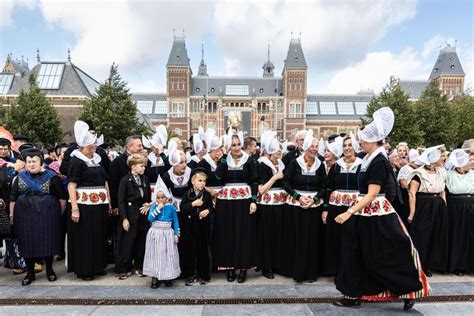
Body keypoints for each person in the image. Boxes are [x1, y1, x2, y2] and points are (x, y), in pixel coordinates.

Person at [333, 107, 430, 311]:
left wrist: (348, 212)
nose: (360, 143)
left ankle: (408, 290)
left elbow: (371, 194)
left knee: (386, 254)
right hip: (364, 213)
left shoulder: (379, 162)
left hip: (376, 215)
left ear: (373, 142)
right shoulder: (369, 159)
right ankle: (353, 294)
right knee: (355, 253)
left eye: (363, 141)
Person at [10, 148, 67, 285]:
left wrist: (58, 214)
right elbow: (13, 198)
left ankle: (50, 270)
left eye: (34, 161)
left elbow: (62, 198)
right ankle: (30, 272)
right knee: (27, 243)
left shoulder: (52, 177)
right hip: (24, 217)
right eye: (29, 162)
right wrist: (12, 215)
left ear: (40, 161)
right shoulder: (19, 178)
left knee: (47, 242)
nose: (31, 164)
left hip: (48, 216)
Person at [67, 121, 110, 281]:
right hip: (84, 206)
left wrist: (109, 202)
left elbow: (104, 181)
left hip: (99, 205)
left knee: (98, 235)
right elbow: (72, 185)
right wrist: (75, 208)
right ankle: (84, 268)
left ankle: (97, 265)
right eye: (92, 143)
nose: (95, 146)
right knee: (85, 237)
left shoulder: (97, 160)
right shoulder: (76, 161)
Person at [214, 131, 258, 283]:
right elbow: (218, 176)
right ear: (228, 147)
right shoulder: (225, 160)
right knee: (228, 233)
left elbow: (254, 181)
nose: (237, 147)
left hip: (244, 200)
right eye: (233, 145)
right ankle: (230, 268)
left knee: (243, 233)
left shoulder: (249, 160)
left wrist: (253, 200)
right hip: (226, 201)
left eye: (238, 144)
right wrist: (225, 157)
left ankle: (243, 268)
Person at [282, 129, 326, 282]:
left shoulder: (320, 165)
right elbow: (285, 183)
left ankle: (310, 273)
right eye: (312, 146)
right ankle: (297, 272)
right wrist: (298, 197)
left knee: (312, 240)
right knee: (297, 239)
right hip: (295, 206)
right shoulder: (295, 163)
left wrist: (314, 200)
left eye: (316, 146)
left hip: (314, 208)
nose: (314, 149)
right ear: (306, 147)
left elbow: (324, 187)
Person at [323, 136, 362, 276]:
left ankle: (352, 271)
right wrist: (326, 209)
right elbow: (328, 188)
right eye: (344, 145)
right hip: (336, 207)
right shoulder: (336, 165)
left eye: (350, 145)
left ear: (356, 146)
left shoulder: (362, 165)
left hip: (355, 208)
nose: (347, 148)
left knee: (352, 239)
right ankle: (337, 271)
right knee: (336, 238)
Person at [407, 145, 449, 276]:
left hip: (438, 206)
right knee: (422, 236)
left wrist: (444, 206)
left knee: (435, 235)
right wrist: (412, 213)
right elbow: (412, 194)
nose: (443, 159)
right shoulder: (418, 174)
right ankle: (419, 265)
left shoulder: (441, 172)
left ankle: (431, 264)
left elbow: (442, 191)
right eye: (440, 156)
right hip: (424, 206)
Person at [115, 154, 152, 279]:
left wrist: (148, 205)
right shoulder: (125, 180)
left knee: (142, 241)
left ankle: (140, 265)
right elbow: (121, 201)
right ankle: (124, 267)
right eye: (142, 166)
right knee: (127, 241)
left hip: (143, 214)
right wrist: (124, 218)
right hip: (130, 214)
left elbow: (148, 196)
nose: (144, 168)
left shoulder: (145, 179)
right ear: (133, 166)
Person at [256, 134, 286, 279]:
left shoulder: (280, 164)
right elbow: (261, 190)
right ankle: (266, 266)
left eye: (280, 148)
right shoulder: (262, 165)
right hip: (267, 206)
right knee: (267, 235)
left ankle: (277, 264)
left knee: (279, 234)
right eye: (276, 149)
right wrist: (275, 177)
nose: (279, 151)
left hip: (280, 204)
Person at [180, 168, 214, 285]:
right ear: (193, 181)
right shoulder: (187, 194)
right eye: (200, 180)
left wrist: (208, 211)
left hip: (203, 226)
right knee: (190, 251)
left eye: (204, 181)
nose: (202, 183)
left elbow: (211, 207)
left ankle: (204, 275)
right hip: (189, 227)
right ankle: (190, 274)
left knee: (203, 250)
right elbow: (183, 208)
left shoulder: (207, 195)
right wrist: (193, 204)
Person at [143, 189, 180, 289]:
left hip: (167, 233)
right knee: (155, 255)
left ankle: (167, 277)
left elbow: (176, 221)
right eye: (158, 198)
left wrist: (176, 234)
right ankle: (155, 277)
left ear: (167, 198)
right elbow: (150, 219)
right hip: (156, 233)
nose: (161, 199)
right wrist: (158, 208)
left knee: (168, 255)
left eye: (163, 197)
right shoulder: (154, 206)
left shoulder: (172, 208)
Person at [445, 149, 474, 276]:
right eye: (470, 161)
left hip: (471, 205)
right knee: (458, 235)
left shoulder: (473, 174)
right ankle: (458, 265)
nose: (472, 163)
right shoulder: (449, 174)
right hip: (456, 207)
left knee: (471, 236)